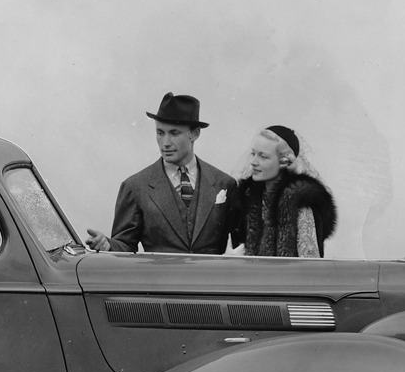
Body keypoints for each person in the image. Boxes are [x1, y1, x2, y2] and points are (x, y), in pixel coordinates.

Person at [85, 93, 237, 254]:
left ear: (195, 134)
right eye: (160, 133)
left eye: (174, 133)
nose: (165, 143)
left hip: (211, 271)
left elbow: (243, 246)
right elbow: (125, 245)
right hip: (159, 271)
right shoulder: (135, 187)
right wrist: (108, 246)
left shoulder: (225, 183)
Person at [230, 125, 337, 257]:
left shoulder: (299, 203)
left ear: (285, 162)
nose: (253, 162)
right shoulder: (248, 200)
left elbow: (309, 262)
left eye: (263, 156)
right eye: (253, 154)